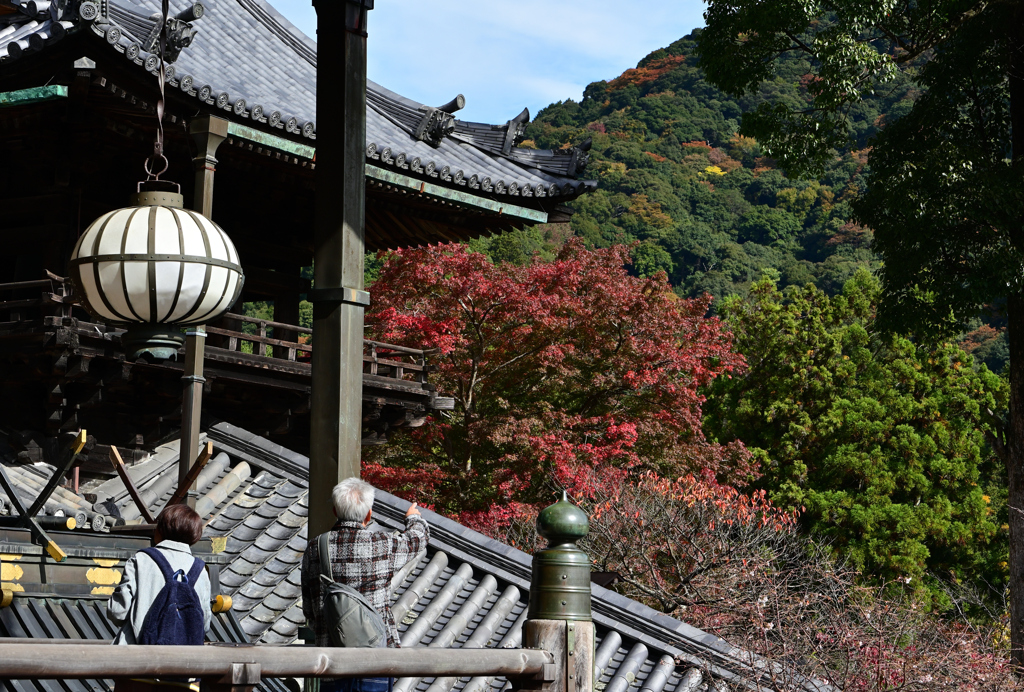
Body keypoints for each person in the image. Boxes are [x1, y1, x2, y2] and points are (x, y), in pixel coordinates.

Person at [302, 478, 429, 692]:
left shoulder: (315, 548)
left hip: (332, 663)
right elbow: (418, 540)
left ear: (335, 510)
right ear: (368, 514)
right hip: (376, 662)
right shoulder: (381, 544)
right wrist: (414, 518)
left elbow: (309, 610)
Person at [107, 503, 213, 691]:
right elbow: (204, 624)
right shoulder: (200, 570)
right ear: (194, 536)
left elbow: (118, 612)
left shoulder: (141, 560)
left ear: (161, 530)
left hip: (137, 669)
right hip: (184, 674)